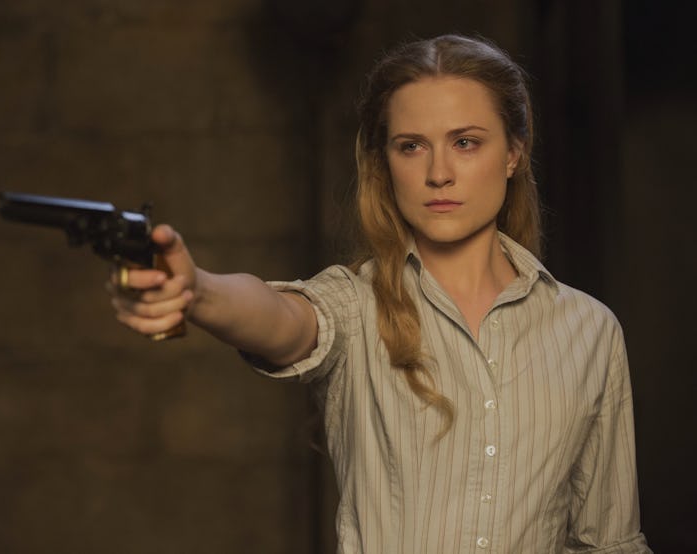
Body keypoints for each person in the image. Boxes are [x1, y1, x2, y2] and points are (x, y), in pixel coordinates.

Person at [108, 34, 651, 553]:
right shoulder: (356, 305)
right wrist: (198, 290)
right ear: (385, 163)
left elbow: (607, 543)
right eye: (411, 147)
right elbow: (284, 320)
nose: (439, 173)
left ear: (514, 153)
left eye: (465, 142)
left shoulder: (590, 330)